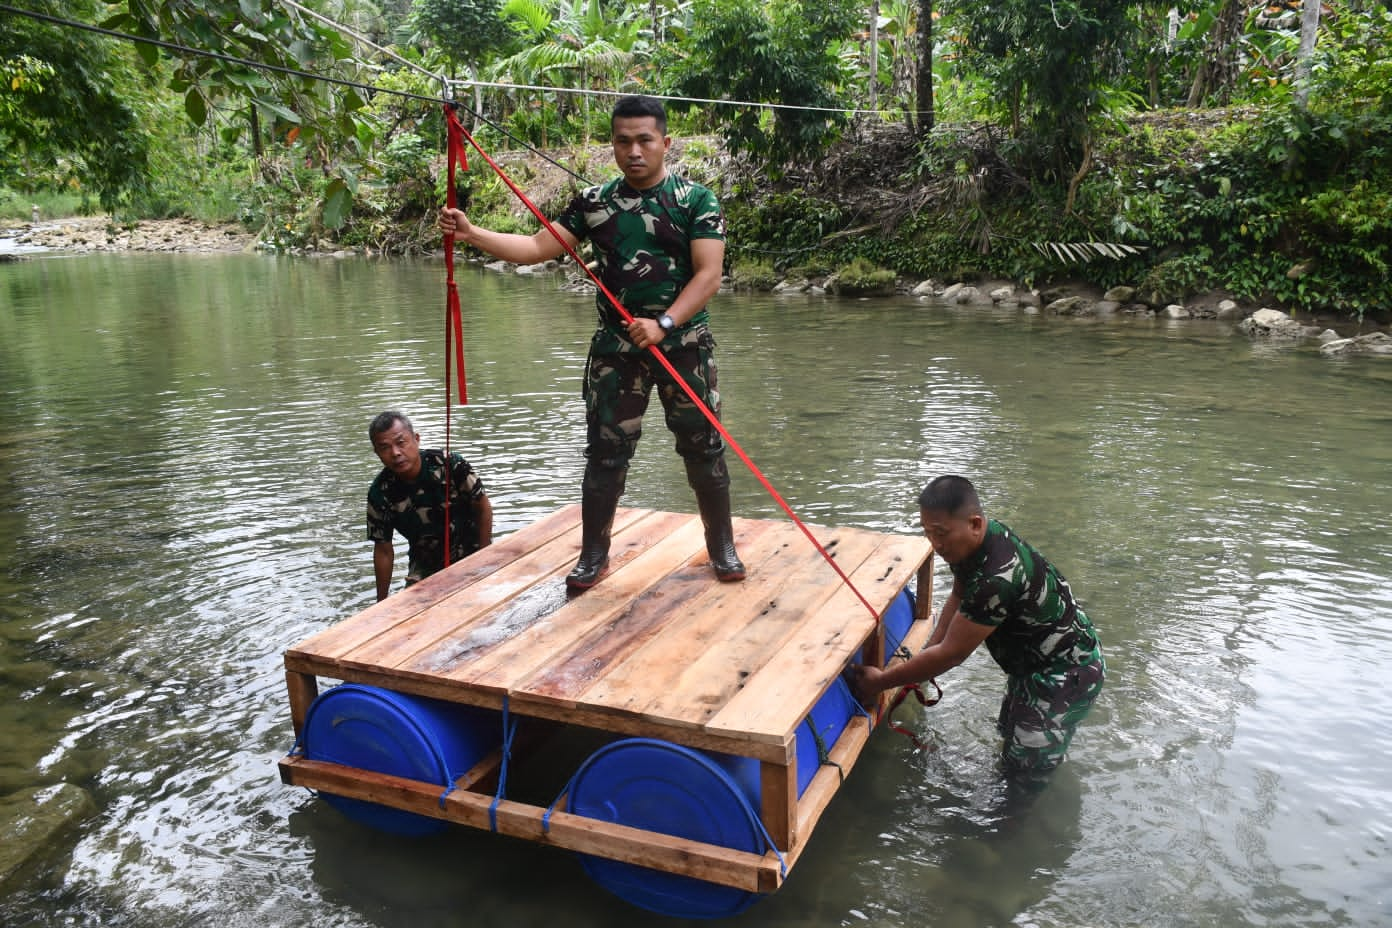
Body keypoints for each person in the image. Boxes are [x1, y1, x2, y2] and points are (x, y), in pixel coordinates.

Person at [438, 93, 744, 591]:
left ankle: (722, 548)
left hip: (684, 346)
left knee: (703, 449)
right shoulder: (594, 203)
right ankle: (593, 554)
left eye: (645, 140)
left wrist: (663, 324)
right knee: (605, 455)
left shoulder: (696, 201)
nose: (634, 151)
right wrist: (472, 233)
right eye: (623, 141)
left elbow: (709, 275)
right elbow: (536, 249)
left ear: (665, 143)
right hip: (616, 353)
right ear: (613, 147)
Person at [850, 475, 1105, 781]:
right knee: (1009, 743)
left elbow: (951, 656)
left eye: (941, 533)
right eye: (928, 533)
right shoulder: (977, 542)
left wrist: (880, 682)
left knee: (1024, 778)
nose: (936, 544)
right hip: (1033, 666)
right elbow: (959, 594)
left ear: (974, 523)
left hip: (1064, 675)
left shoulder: (995, 579)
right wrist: (929, 648)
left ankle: (1016, 823)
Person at [366, 410, 492, 601]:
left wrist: (484, 557)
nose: (395, 453)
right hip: (425, 564)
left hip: (471, 551)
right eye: (385, 448)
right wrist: (380, 603)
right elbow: (383, 549)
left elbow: (482, 507)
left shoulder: (450, 464)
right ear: (377, 453)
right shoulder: (380, 492)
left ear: (416, 439)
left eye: (401, 442)